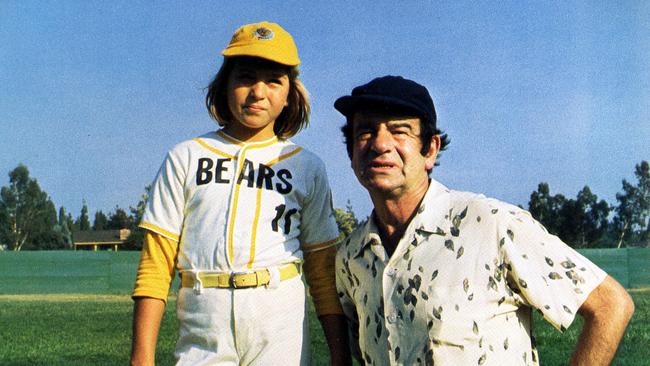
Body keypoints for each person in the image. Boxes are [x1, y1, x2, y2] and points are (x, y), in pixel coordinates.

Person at [333, 75, 634, 365]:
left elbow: (610, 305)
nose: (379, 143)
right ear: (352, 152)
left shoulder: (492, 225)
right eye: (365, 131)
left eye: (399, 131)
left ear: (430, 149)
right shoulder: (350, 257)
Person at [130, 21, 350, 366]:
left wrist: (340, 355)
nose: (258, 92)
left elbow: (322, 270)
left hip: (278, 315)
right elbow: (157, 263)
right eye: (245, 77)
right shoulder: (187, 155)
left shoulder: (307, 166)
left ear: (291, 93)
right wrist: (141, 358)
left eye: (274, 81)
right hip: (205, 312)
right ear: (225, 84)